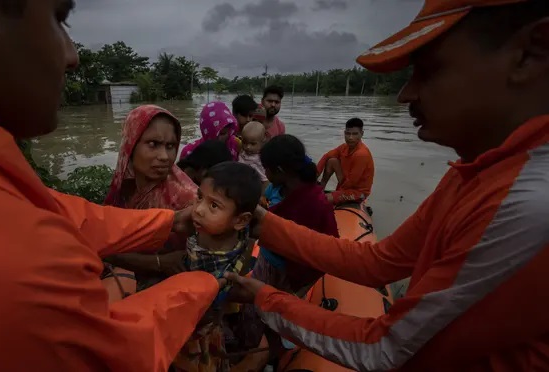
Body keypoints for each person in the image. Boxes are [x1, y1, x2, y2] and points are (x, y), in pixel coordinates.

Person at [223, 0, 549, 370]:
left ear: (529, 54)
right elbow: (379, 263)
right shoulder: (472, 172)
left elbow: (388, 348)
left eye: (428, 70)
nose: (404, 94)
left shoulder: (526, 203)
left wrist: (265, 298)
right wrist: (261, 222)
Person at [0, 2, 224, 371]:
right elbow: (121, 355)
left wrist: (169, 223)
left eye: (170, 145)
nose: (72, 56)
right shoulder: (24, 263)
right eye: (58, 18)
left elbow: (61, 212)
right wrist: (200, 284)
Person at [238, 134, 340, 356]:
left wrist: (301, 288)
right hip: (268, 260)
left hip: (290, 272)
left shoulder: (315, 203)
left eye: (267, 169)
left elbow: (328, 249)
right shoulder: (278, 191)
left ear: (280, 171)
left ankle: (272, 354)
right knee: (254, 308)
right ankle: (251, 346)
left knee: (280, 312)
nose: (265, 174)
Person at [169, 162, 261, 372]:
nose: (198, 210)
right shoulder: (206, 226)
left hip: (203, 324)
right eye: (199, 197)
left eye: (214, 206)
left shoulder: (230, 255)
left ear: (241, 220)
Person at [101, 105, 198, 295]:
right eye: (153, 144)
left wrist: (158, 264)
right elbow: (106, 234)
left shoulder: (186, 198)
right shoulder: (125, 184)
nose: (164, 157)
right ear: (131, 145)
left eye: (170, 147)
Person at [317, 117, 375, 205]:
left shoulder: (361, 154)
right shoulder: (344, 147)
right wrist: (314, 175)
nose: (350, 137)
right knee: (332, 160)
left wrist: (335, 194)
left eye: (355, 134)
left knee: (319, 200)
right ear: (344, 133)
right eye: (348, 133)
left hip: (358, 192)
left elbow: (352, 182)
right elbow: (326, 156)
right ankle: (320, 188)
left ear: (362, 134)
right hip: (346, 184)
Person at [238, 121, 269, 191]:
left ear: (262, 140)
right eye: (245, 143)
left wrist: (261, 196)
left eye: (253, 144)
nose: (248, 147)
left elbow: (265, 181)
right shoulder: (242, 151)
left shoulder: (260, 160)